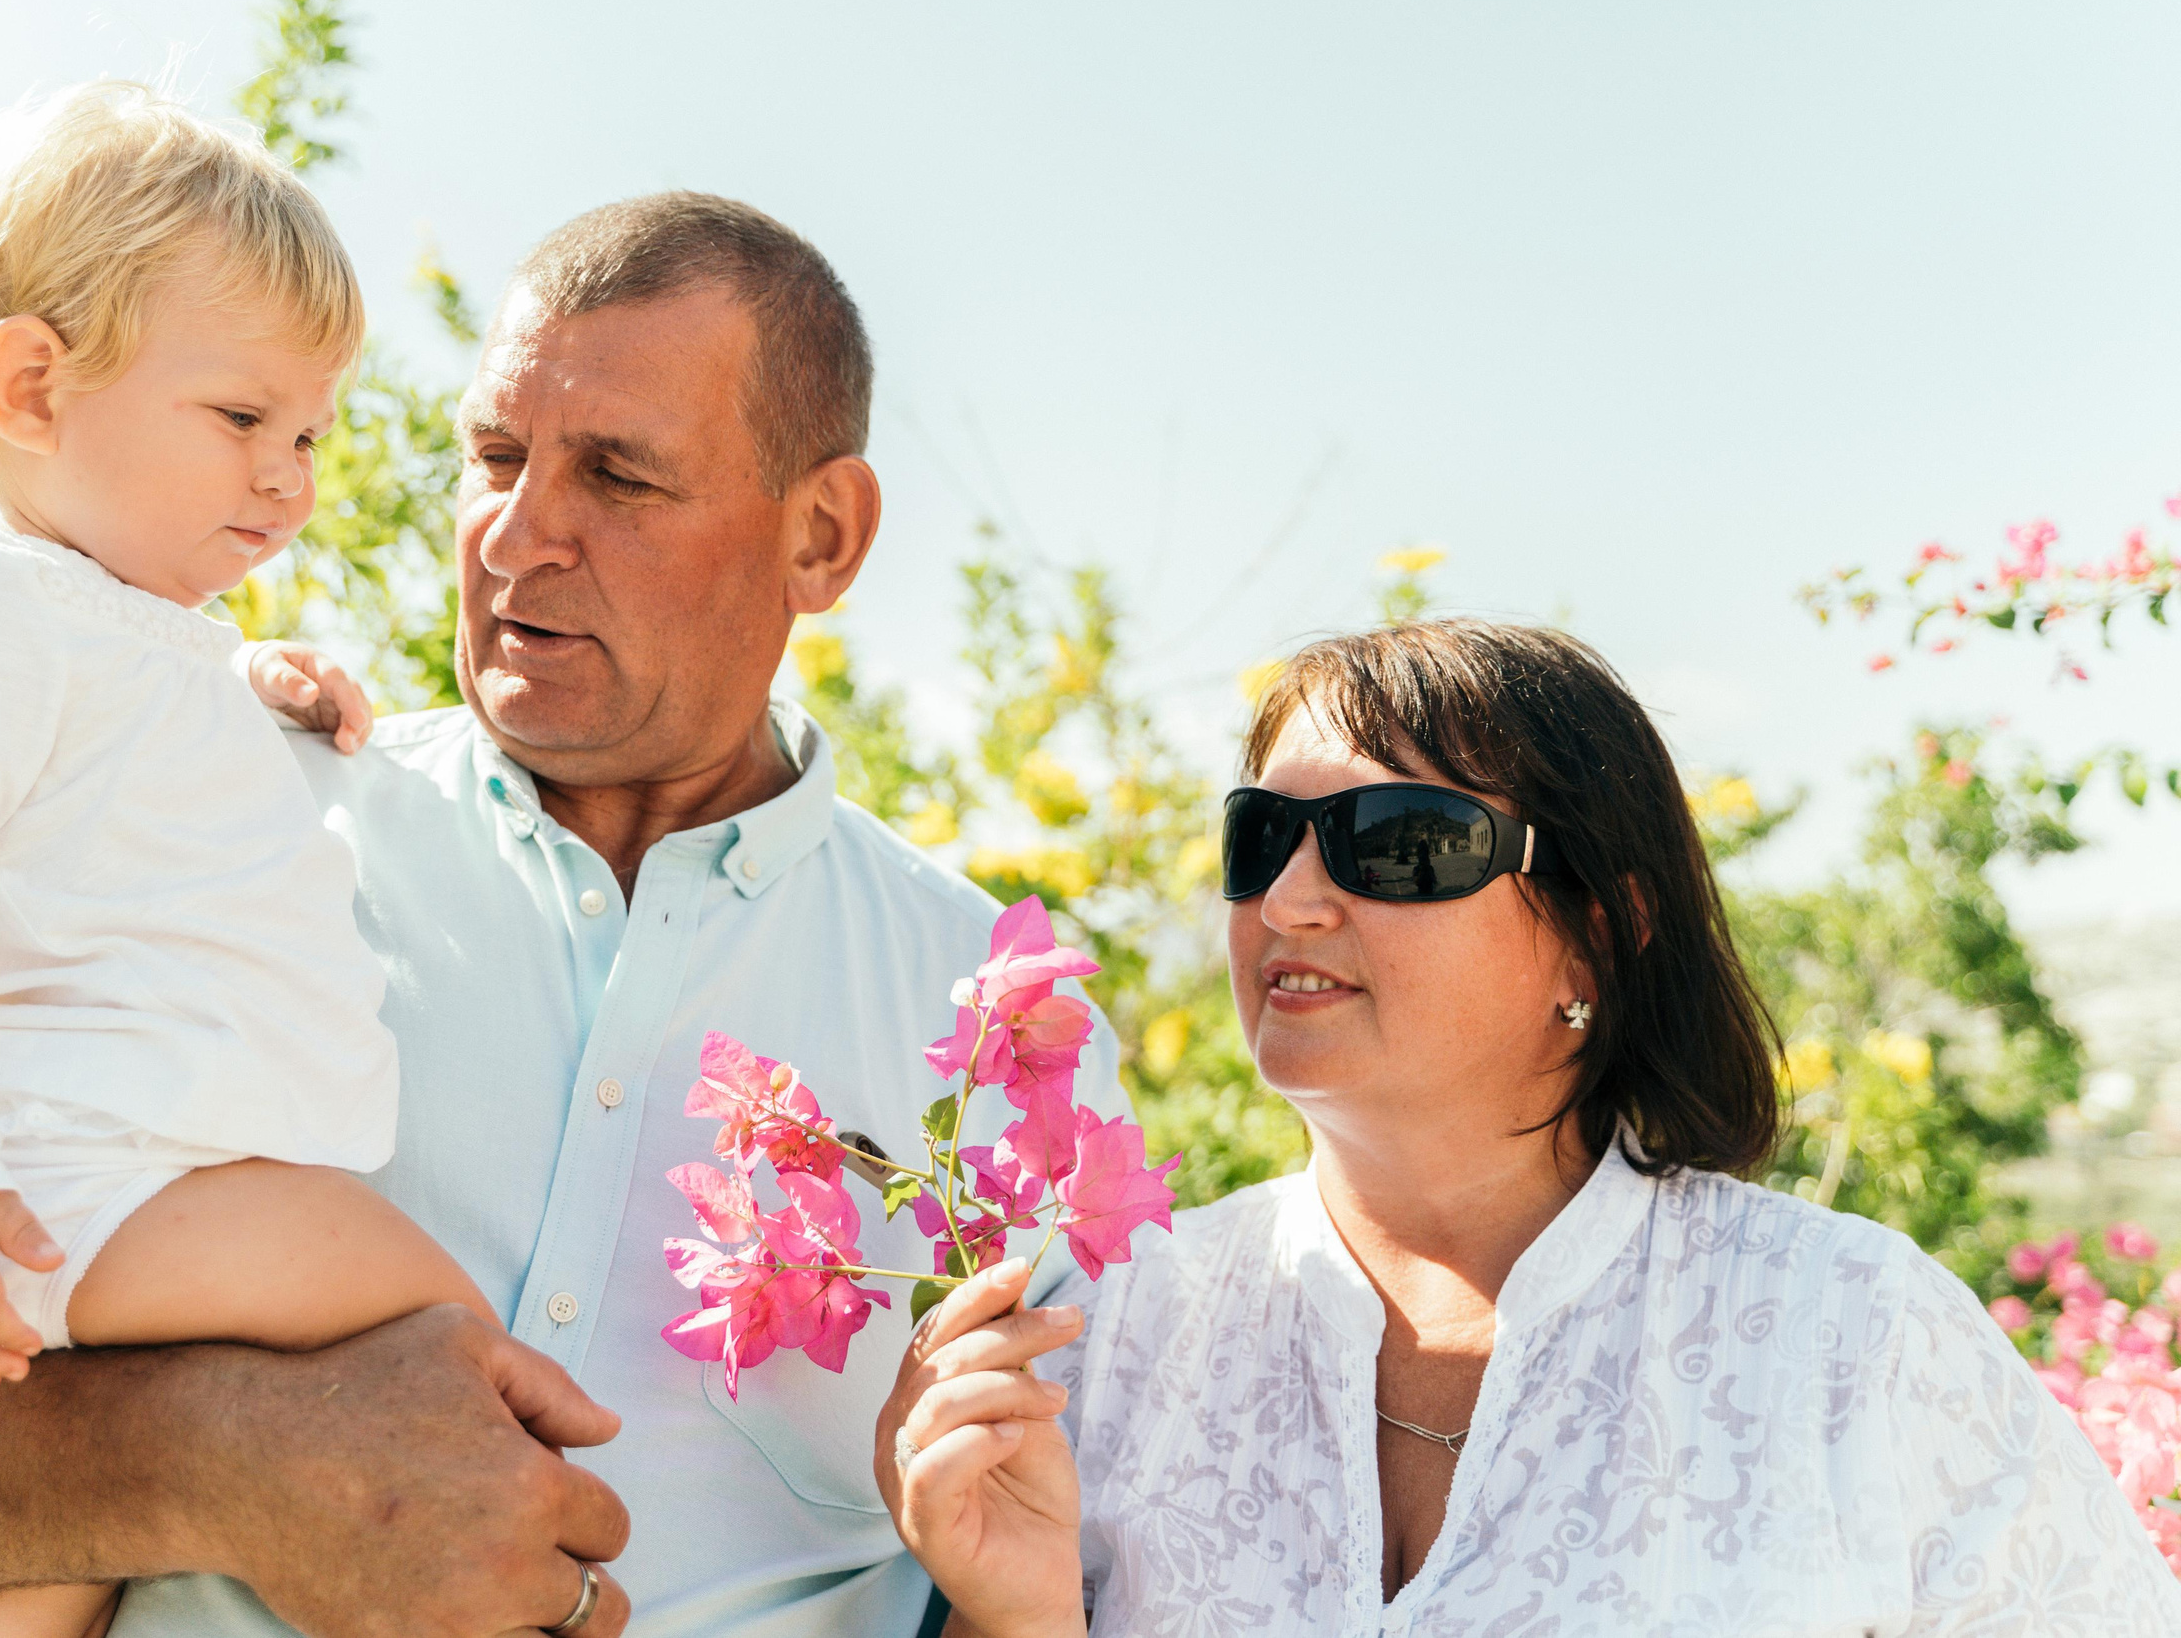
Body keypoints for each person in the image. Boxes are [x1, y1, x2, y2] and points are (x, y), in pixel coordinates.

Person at [0, 189, 1121, 1638]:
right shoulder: (204, 802)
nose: (514, 536)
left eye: (619, 476)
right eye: (493, 456)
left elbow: (1070, 1585)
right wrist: (225, 1467)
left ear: (823, 538)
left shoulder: (1011, 1035)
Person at [878, 619, 2181, 1635]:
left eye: (1399, 842)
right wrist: (1019, 1621)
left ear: (1599, 931)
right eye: (1262, 836)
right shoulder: (1116, 1338)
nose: (1291, 899)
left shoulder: (1850, 1334)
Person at [0, 80, 510, 1638]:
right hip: (73, 1185)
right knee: (459, 1351)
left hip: (126, 1186)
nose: (289, 476)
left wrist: (242, 682)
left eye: (309, 433)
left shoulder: (126, 634)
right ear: (33, 386)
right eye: (242, 419)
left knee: (48, 1560)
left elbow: (107, 763)